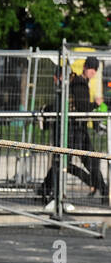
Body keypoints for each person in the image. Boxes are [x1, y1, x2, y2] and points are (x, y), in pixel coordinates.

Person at [40, 56, 107, 206]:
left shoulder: (78, 83)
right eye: (91, 69)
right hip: (75, 131)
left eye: (95, 70)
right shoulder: (79, 85)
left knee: (66, 162)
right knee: (81, 162)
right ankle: (102, 190)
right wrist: (96, 104)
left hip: (76, 130)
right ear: (85, 68)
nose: (93, 72)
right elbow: (82, 108)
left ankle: (44, 189)